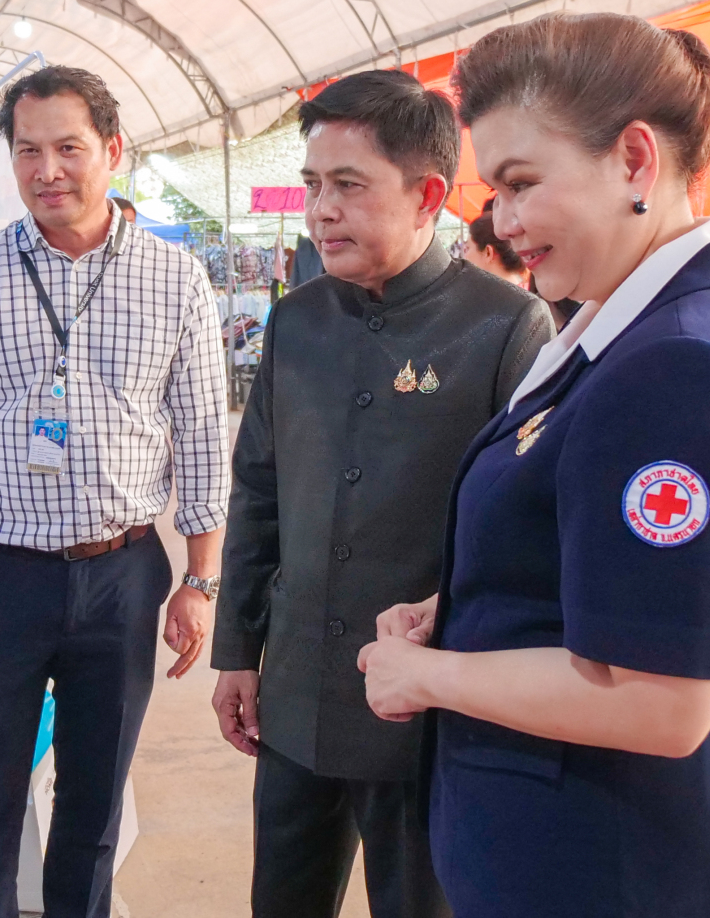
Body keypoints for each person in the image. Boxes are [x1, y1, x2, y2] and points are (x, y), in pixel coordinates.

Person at [357, 12, 710, 918]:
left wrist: (430, 676)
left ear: (634, 160)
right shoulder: (626, 320)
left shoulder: (678, 367)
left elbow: (661, 702)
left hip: (611, 865)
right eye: (496, 190)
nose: (503, 220)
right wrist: (466, 608)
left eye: (522, 183)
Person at [213, 71, 550, 918]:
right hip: (296, 696)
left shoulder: (504, 327)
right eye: (312, 185)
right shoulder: (297, 321)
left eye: (349, 186)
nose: (320, 211)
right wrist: (237, 650)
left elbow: (523, 532)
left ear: (427, 194)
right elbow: (259, 493)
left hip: (424, 712)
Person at [0, 65, 229, 918]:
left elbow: (203, 435)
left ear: (113, 150)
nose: (47, 170)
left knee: (93, 808)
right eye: (27, 151)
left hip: (123, 574)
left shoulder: (176, 279)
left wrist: (200, 581)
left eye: (68, 148)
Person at [464, 202, 581, 330]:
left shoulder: (497, 308)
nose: (465, 257)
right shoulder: (537, 298)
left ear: (488, 252)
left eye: (468, 248)